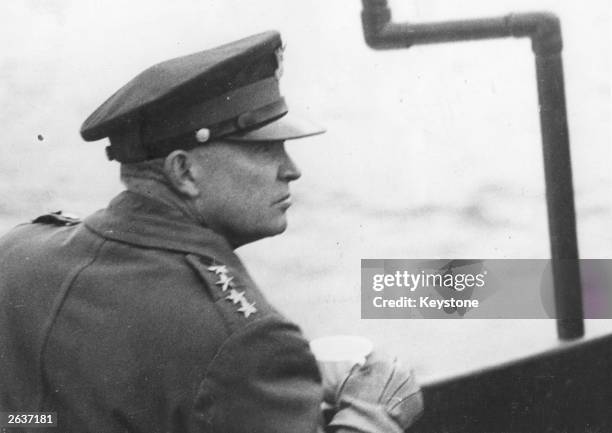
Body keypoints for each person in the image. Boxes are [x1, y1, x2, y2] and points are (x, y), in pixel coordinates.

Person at [0, 31, 422, 432]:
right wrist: (372, 413)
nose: (291, 170)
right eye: (263, 148)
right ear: (183, 171)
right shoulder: (244, 341)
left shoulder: (17, 253)